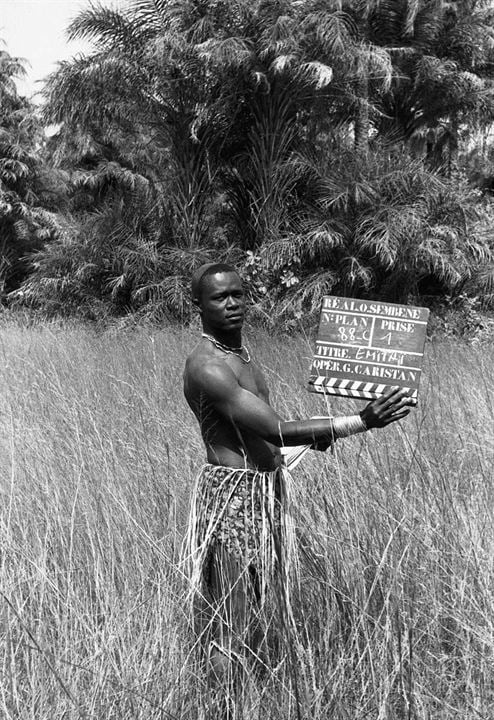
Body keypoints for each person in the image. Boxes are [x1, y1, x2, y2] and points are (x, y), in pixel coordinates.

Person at [183, 262, 414, 709]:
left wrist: (311, 440)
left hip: (263, 490)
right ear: (199, 305)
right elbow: (273, 429)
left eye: (238, 293)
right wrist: (359, 421)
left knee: (249, 612)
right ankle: (224, 708)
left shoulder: (240, 355)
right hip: (233, 499)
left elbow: (261, 439)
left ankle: (239, 702)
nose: (232, 304)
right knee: (230, 620)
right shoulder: (208, 367)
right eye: (219, 297)